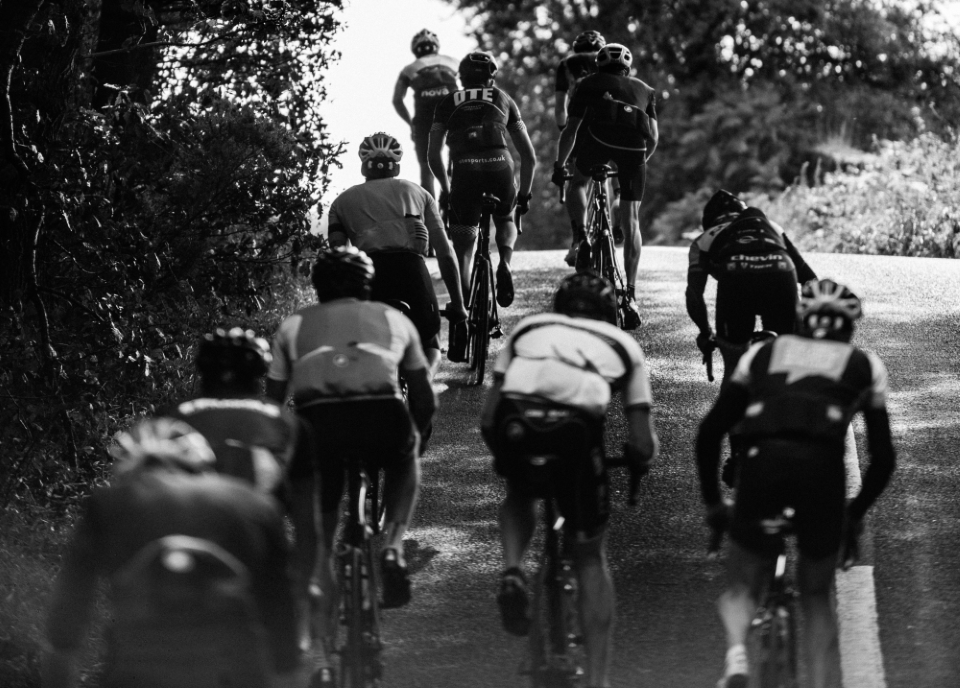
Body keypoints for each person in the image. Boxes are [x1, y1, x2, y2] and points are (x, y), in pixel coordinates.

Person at [696, 278, 897, 688]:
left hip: (760, 465)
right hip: (820, 473)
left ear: (801, 319)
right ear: (850, 326)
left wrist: (716, 506)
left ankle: (736, 657)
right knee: (817, 595)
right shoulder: (863, 364)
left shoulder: (762, 354)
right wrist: (853, 515)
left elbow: (712, 432)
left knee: (744, 578)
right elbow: (883, 458)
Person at [481, 272, 659, 688]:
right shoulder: (623, 344)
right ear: (609, 313)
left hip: (516, 423)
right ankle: (598, 680)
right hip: (574, 435)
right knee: (589, 555)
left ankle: (511, 570)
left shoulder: (528, 327)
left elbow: (490, 415)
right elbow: (641, 441)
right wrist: (636, 461)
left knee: (519, 491)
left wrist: (503, 454)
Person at [43, 418, 300, 688]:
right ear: (203, 465)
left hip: (137, 671)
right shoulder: (256, 504)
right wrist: (288, 670)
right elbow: (280, 606)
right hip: (235, 670)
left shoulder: (108, 503)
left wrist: (59, 662)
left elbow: (69, 610)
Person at [266, 246, 436, 621]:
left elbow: (274, 405)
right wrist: (414, 437)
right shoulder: (394, 319)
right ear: (367, 283)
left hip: (319, 424)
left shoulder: (294, 325)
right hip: (382, 414)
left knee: (323, 542)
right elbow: (423, 398)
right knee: (405, 459)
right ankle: (392, 546)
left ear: (318, 285)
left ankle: (328, 657)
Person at [327, 132, 468, 378]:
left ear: (363, 167)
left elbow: (337, 255)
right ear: (397, 166)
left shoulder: (341, 202)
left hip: (368, 275)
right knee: (429, 342)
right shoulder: (419, 193)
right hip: (411, 270)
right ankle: (423, 384)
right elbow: (445, 253)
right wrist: (459, 304)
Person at [552, 43, 657, 330]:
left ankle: (581, 236)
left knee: (578, 183)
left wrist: (560, 165)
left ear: (599, 64)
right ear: (628, 66)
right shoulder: (646, 90)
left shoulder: (587, 83)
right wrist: (637, 164)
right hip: (634, 152)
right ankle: (631, 295)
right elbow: (654, 138)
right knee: (632, 220)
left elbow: (571, 130)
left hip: (598, 144)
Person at [428, 50, 537, 309]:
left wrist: (445, 189)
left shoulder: (447, 102)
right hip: (499, 166)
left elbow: (432, 154)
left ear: (462, 78)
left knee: (464, 248)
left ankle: (463, 308)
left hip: (464, 172)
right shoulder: (503, 98)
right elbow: (529, 157)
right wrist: (523, 197)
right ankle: (505, 264)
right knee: (506, 218)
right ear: (491, 78)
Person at [686, 189, 818, 382]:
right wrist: (808, 325)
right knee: (791, 364)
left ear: (710, 221)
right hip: (781, 274)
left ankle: (732, 406)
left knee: (734, 365)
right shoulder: (771, 226)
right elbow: (809, 279)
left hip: (736, 280)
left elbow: (694, 295)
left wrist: (705, 332)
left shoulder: (703, 240)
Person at [554, 30, 609, 266]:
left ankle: (580, 234)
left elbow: (560, 108)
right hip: (614, 125)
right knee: (609, 177)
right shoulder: (609, 59)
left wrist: (565, 131)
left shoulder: (567, 64)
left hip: (581, 127)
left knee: (578, 182)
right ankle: (613, 225)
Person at [393, 29, 460, 197]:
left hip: (425, 115)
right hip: (452, 107)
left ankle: (430, 212)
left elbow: (397, 100)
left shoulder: (408, 69)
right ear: (436, 46)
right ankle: (454, 185)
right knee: (458, 151)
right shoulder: (453, 61)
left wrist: (411, 124)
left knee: (426, 163)